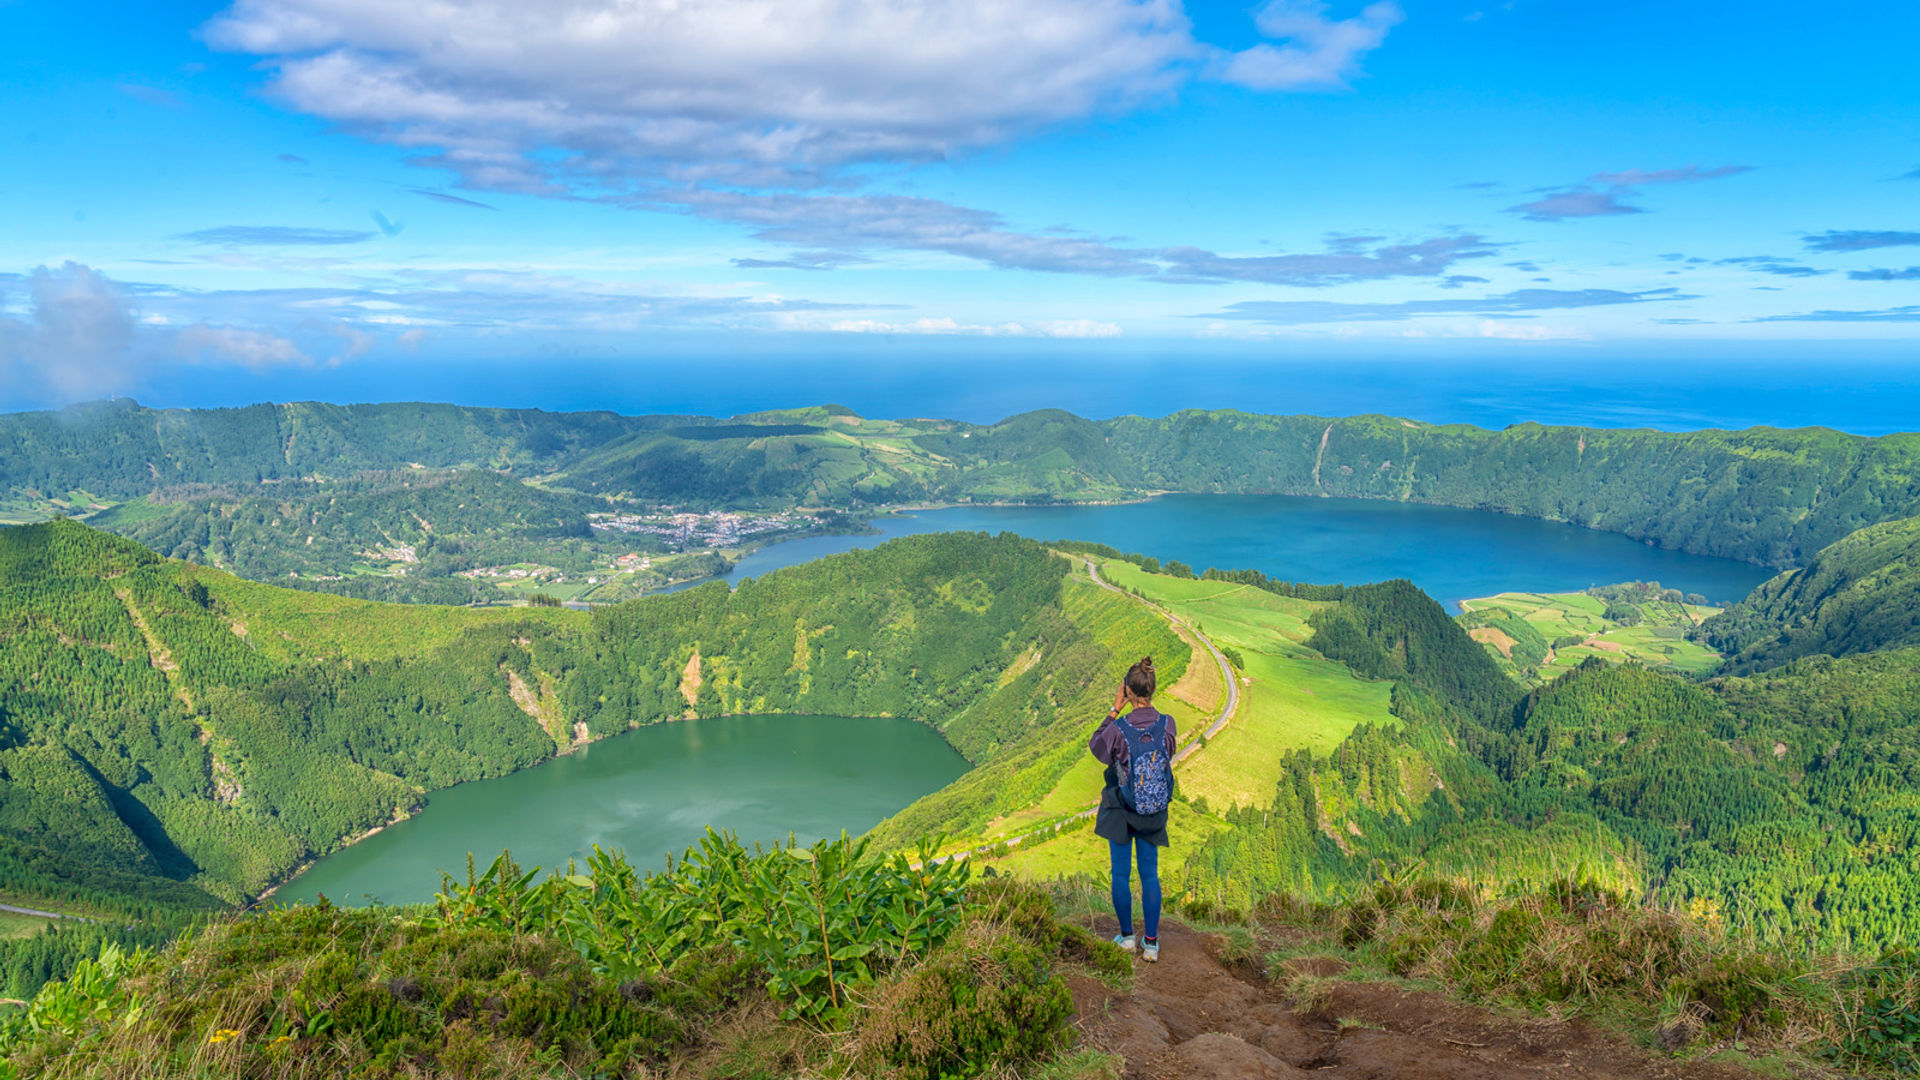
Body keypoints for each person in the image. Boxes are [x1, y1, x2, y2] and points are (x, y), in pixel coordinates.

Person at [1088, 655, 1176, 963]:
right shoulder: (1167, 724)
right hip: (1152, 810)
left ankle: (1126, 937)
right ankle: (1150, 943)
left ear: (1127, 689)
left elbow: (1097, 747)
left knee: (1121, 874)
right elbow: (1169, 753)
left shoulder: (1118, 729)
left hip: (1122, 809)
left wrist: (1115, 709)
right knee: (1150, 874)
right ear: (1152, 690)